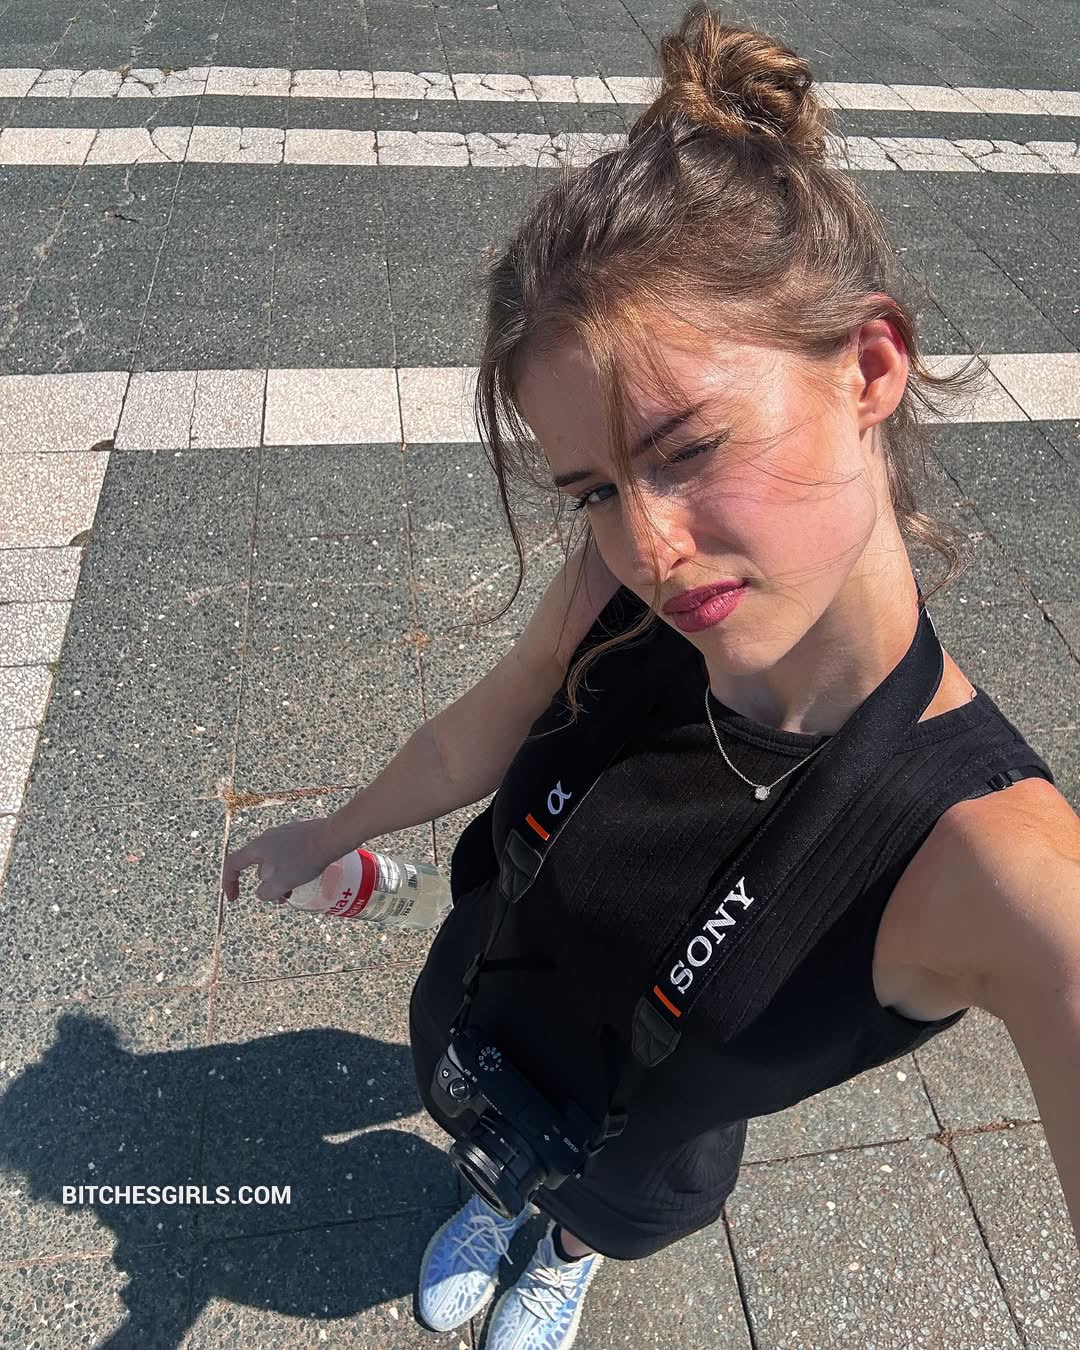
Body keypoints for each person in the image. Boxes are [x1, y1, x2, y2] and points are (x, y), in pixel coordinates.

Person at [222, 6, 1080, 1346]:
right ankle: (495, 1201)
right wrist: (332, 830)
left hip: (634, 1158)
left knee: (597, 1212)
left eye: (686, 449)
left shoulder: (985, 856)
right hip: (483, 1029)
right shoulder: (621, 594)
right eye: (594, 489)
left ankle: (562, 1256)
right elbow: (478, 732)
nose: (652, 544)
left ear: (870, 368)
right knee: (493, 1163)